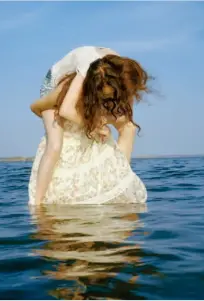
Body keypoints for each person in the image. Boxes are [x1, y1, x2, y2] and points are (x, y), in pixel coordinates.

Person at [29, 50, 150, 205]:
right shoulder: (86, 67)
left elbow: (126, 106)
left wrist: (110, 121)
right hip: (54, 86)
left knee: (129, 127)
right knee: (55, 144)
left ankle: (119, 181)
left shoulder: (120, 69)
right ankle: (36, 204)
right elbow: (65, 109)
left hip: (92, 82)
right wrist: (96, 127)